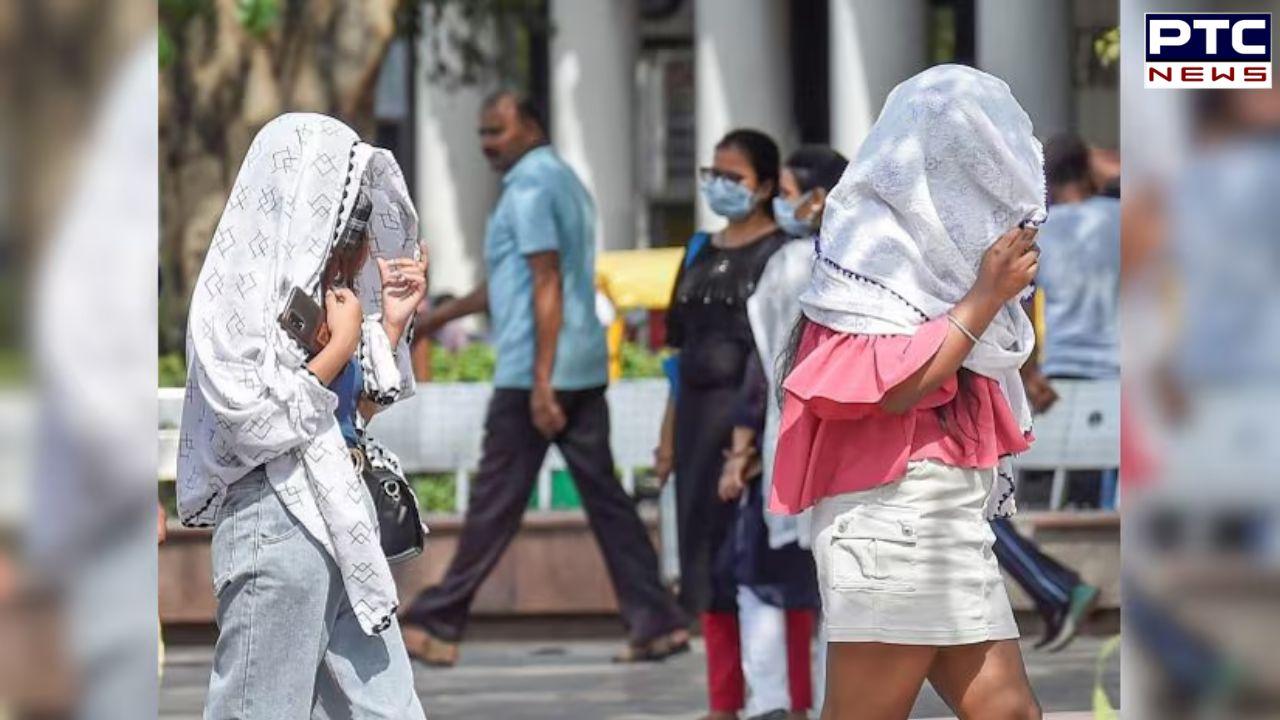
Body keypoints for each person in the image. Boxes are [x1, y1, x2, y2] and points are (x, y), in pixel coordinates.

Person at [769, 66, 1045, 720]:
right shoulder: (869, 256)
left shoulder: (942, 263)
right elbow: (893, 386)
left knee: (1010, 716)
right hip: (893, 519)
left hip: (943, 515)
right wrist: (984, 297)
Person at [400, 90, 688, 665]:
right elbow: (511, 279)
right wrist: (436, 319)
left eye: (496, 132)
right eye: (481, 133)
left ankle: (439, 619)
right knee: (604, 499)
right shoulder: (563, 180)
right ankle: (656, 621)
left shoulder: (530, 189)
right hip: (577, 365)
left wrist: (540, 380)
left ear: (529, 125)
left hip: (539, 372)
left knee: (495, 501)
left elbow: (545, 281)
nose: (486, 144)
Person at [178, 113, 429, 718]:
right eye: (348, 209)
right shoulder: (232, 300)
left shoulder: (333, 297)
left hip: (345, 518)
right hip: (275, 517)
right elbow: (252, 423)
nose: (356, 229)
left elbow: (346, 415)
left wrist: (389, 325)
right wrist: (339, 350)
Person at [654, 129, 818, 720]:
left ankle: (792, 701)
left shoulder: (785, 254)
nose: (720, 186)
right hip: (698, 423)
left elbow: (772, 352)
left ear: (768, 186)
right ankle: (725, 701)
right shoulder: (699, 249)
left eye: (735, 176)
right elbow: (678, 352)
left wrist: (751, 445)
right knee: (708, 569)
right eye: (713, 173)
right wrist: (669, 433)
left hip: (754, 422)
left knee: (765, 564)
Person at [992, 132, 1114, 654]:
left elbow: (1018, 303)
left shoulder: (1039, 234)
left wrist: (1029, 369)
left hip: (1059, 382)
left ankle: (1064, 592)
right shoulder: (1130, 220)